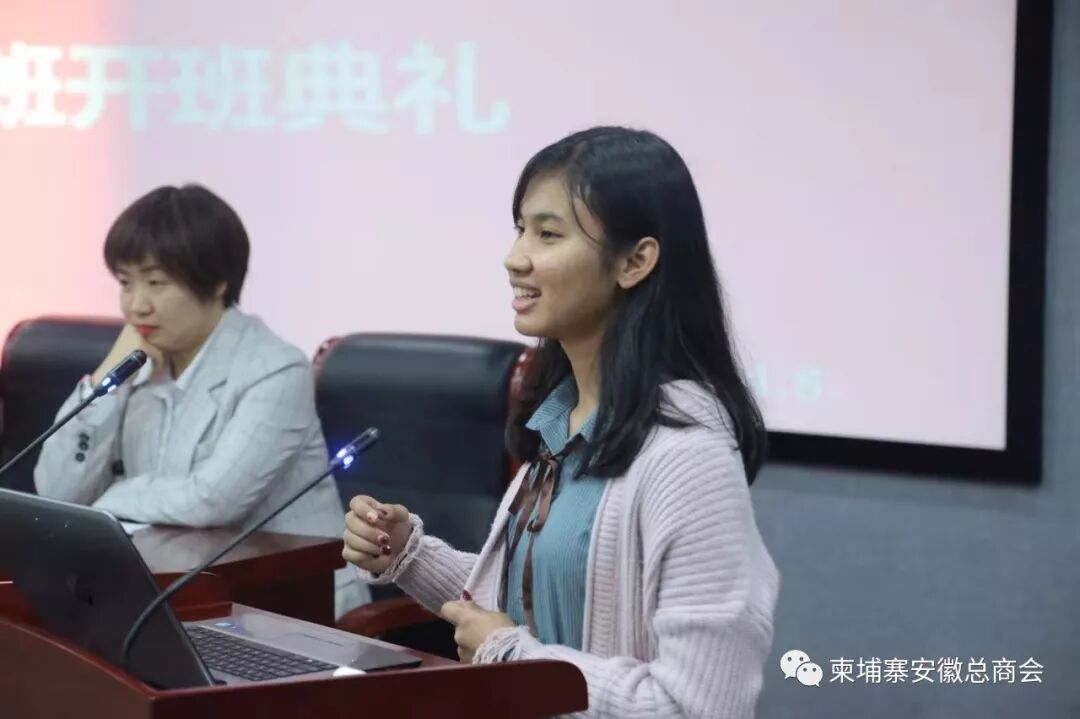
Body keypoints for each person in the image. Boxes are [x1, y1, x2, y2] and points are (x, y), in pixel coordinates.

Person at [343, 127, 779, 717]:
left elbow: (696, 707)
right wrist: (410, 555)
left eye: (548, 234)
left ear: (635, 261)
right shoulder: (565, 419)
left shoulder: (686, 458)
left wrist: (509, 656)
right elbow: (537, 600)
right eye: (520, 228)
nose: (515, 257)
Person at [34, 184, 368, 616]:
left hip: (295, 602)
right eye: (125, 283)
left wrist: (109, 500)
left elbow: (213, 499)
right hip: (177, 594)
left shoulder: (274, 369)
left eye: (156, 283)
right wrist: (105, 379)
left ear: (216, 282)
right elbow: (56, 491)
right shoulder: (140, 364)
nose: (136, 305)